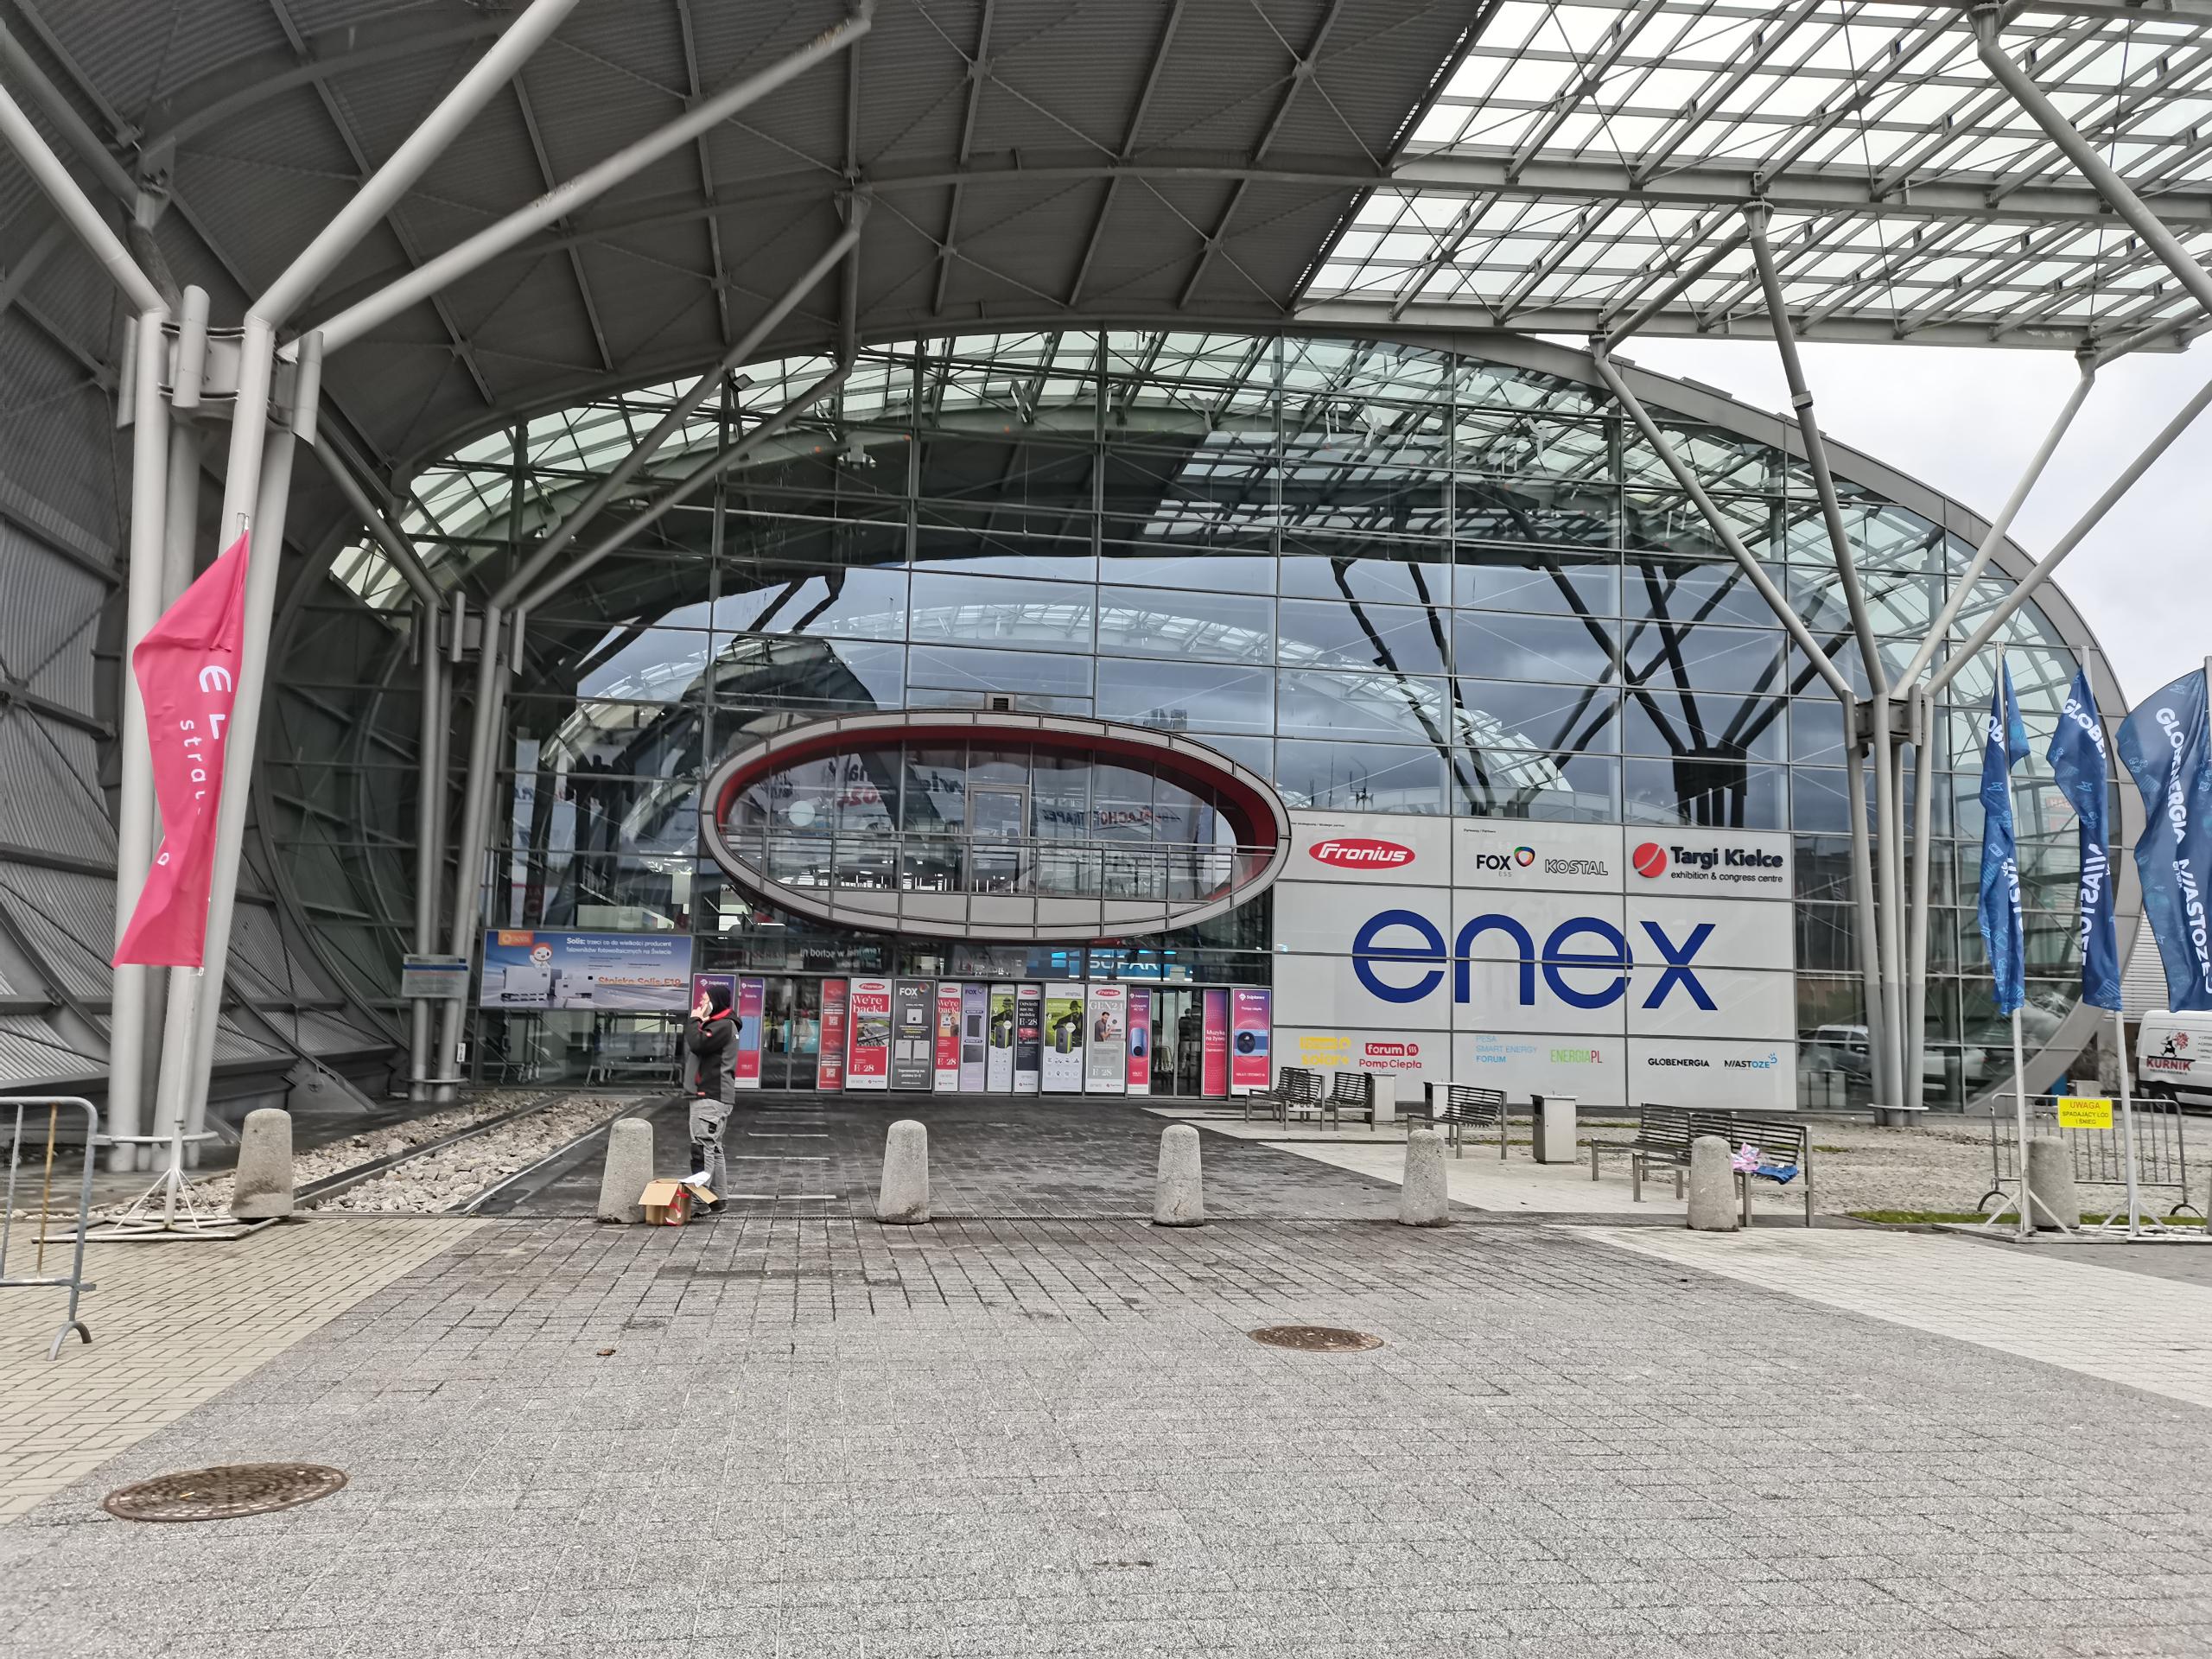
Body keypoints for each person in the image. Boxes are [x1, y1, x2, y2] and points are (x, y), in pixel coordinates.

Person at [683, 984, 734, 1214]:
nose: (700, 1005)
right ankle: (717, 1199)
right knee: (714, 1148)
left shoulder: (722, 1025)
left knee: (702, 1148)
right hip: (714, 1095)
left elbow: (697, 1043)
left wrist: (694, 1020)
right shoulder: (721, 1025)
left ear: (715, 1002)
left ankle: (699, 1200)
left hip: (710, 1095)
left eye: (704, 1000)